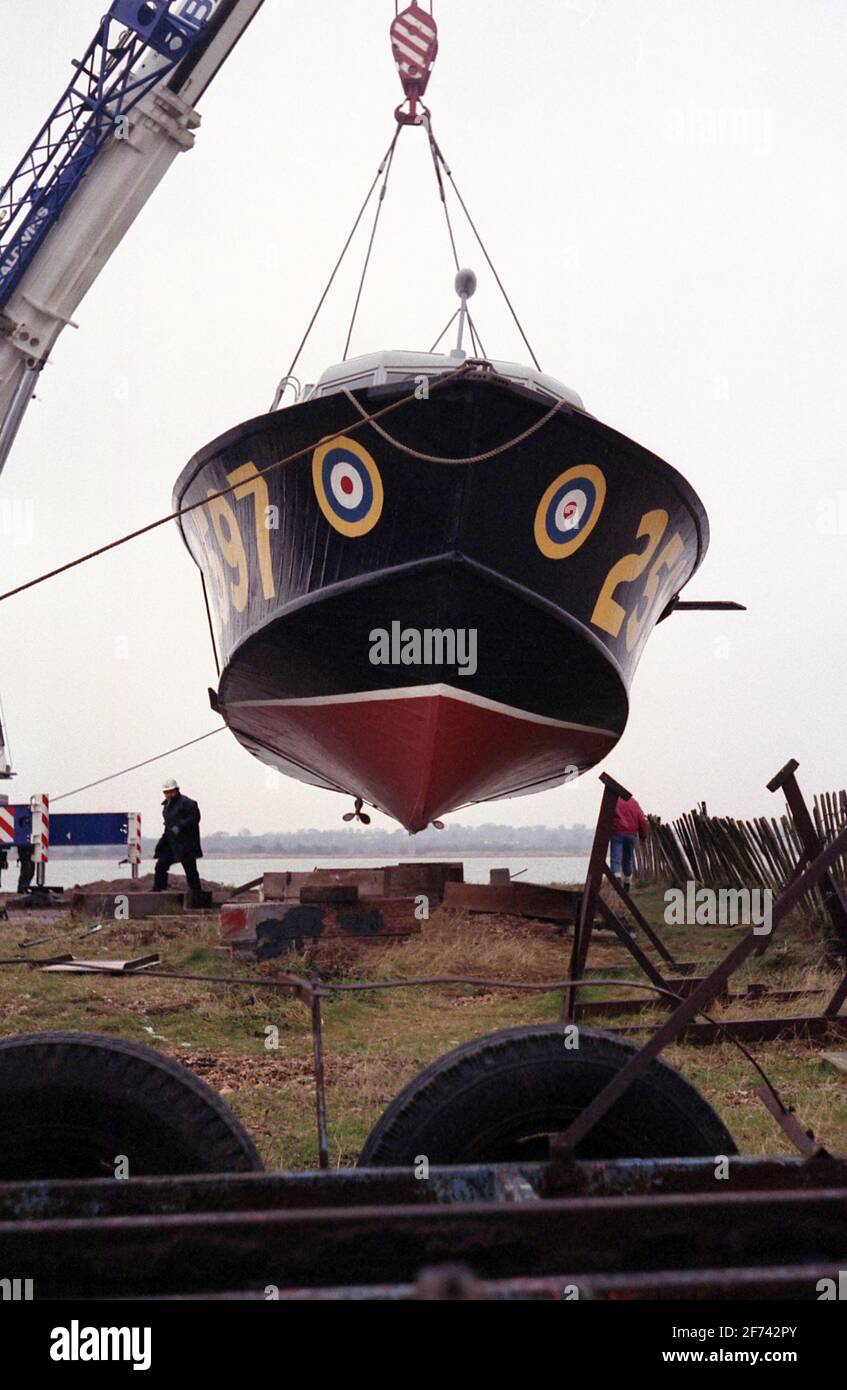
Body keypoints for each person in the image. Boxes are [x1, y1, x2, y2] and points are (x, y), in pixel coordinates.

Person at [153, 778, 203, 893]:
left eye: (171, 791)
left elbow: (195, 817)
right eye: (166, 792)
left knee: (190, 871)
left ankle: (197, 896)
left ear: (177, 790)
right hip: (172, 844)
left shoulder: (188, 803)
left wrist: (180, 826)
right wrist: (161, 844)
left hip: (186, 845)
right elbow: (167, 828)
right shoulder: (166, 807)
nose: (168, 794)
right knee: (160, 866)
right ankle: (158, 891)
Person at [610, 794, 649, 893]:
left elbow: (607, 817)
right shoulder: (634, 803)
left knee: (615, 859)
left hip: (617, 833)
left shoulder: (614, 801)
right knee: (628, 859)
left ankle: (617, 878)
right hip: (631, 834)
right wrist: (643, 837)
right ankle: (627, 882)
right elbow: (642, 820)